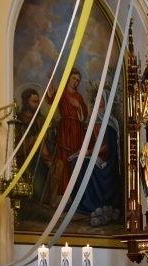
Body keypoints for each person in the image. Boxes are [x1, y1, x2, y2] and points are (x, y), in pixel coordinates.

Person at [69, 91, 122, 226]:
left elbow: (108, 147)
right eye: (96, 98)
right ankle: (81, 200)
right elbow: (92, 141)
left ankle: (92, 202)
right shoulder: (95, 119)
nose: (98, 101)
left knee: (86, 164)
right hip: (94, 153)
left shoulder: (110, 121)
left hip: (106, 159)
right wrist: (84, 150)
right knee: (75, 161)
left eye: (100, 98)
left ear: (105, 100)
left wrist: (89, 152)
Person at [45, 68, 89, 198]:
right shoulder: (62, 93)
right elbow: (50, 100)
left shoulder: (78, 97)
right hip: (64, 129)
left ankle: (75, 193)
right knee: (64, 158)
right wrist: (51, 81)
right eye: (74, 78)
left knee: (75, 158)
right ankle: (62, 193)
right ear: (68, 78)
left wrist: (78, 106)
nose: (75, 82)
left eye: (78, 80)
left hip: (77, 131)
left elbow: (84, 115)